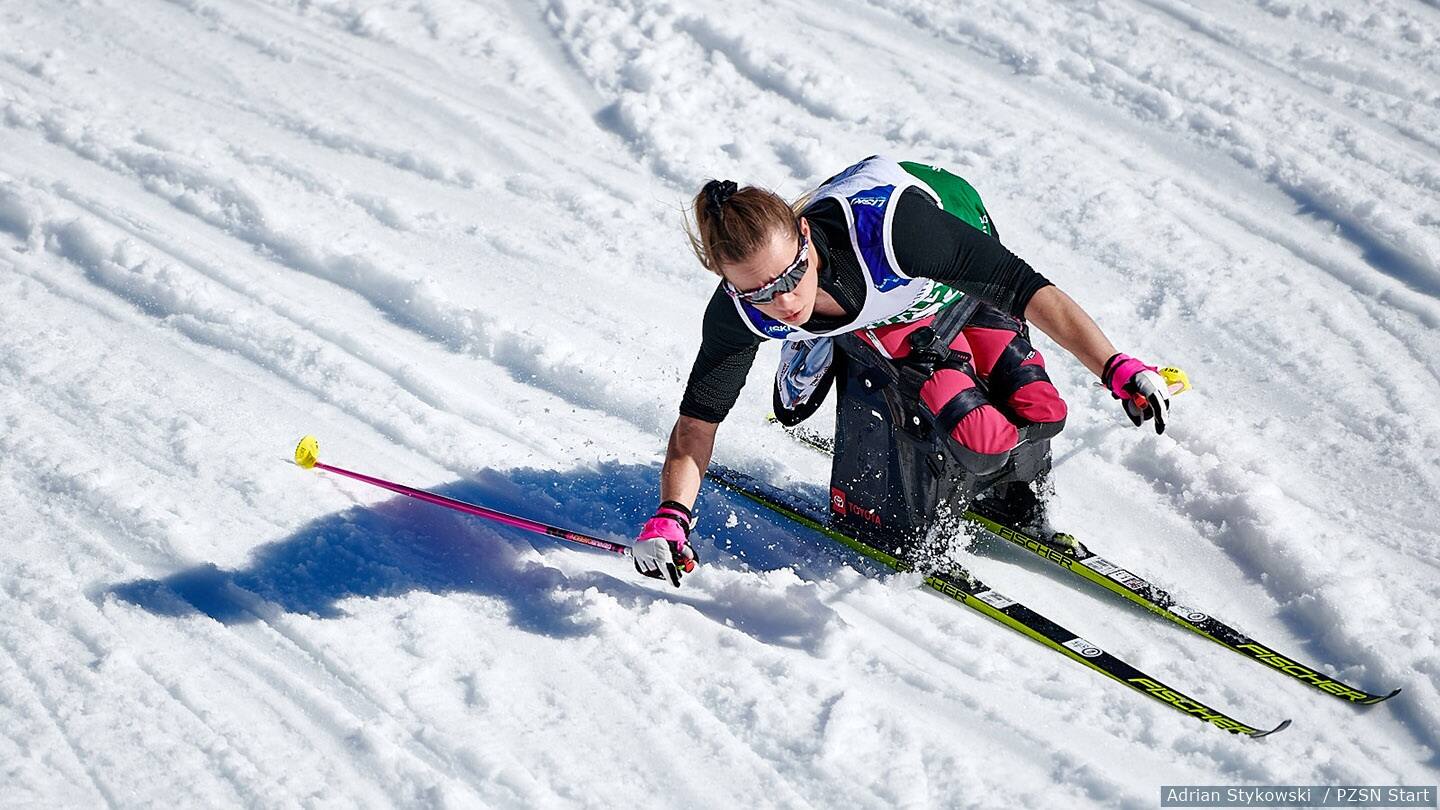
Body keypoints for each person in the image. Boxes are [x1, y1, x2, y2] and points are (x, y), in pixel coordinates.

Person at [631, 156, 1172, 587]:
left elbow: (1030, 291)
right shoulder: (735, 313)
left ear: (805, 235)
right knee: (981, 436)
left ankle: (824, 344)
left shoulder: (899, 235)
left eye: (792, 275)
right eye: (760, 292)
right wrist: (671, 516)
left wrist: (1116, 367)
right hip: (892, 316)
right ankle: (826, 341)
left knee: (1041, 408)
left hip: (949, 263)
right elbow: (696, 424)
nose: (785, 301)